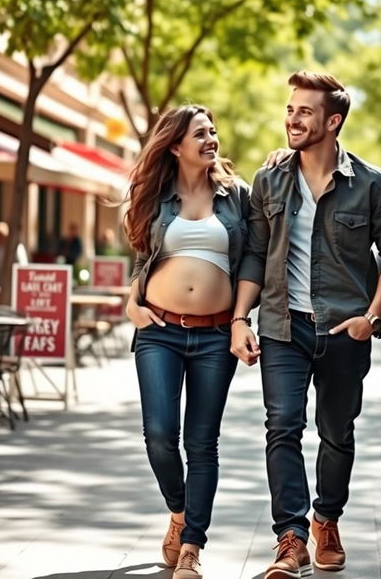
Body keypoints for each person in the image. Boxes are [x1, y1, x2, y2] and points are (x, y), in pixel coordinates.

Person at [230, 71, 381, 578]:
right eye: (290, 109)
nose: (292, 118)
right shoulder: (270, 179)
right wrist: (239, 318)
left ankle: (326, 517)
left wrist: (371, 316)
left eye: (304, 111)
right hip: (282, 327)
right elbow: (256, 252)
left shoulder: (373, 185)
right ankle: (290, 539)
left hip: (344, 330)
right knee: (282, 427)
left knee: (337, 433)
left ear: (332, 122)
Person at [124, 105, 249, 579]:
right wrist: (132, 304)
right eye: (200, 133)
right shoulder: (154, 197)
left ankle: (193, 544)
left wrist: (242, 318)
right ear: (176, 145)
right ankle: (179, 509)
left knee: (202, 443)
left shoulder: (237, 197)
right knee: (159, 435)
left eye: (214, 130)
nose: (211, 138)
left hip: (216, 334)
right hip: (159, 331)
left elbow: (253, 257)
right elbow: (141, 259)